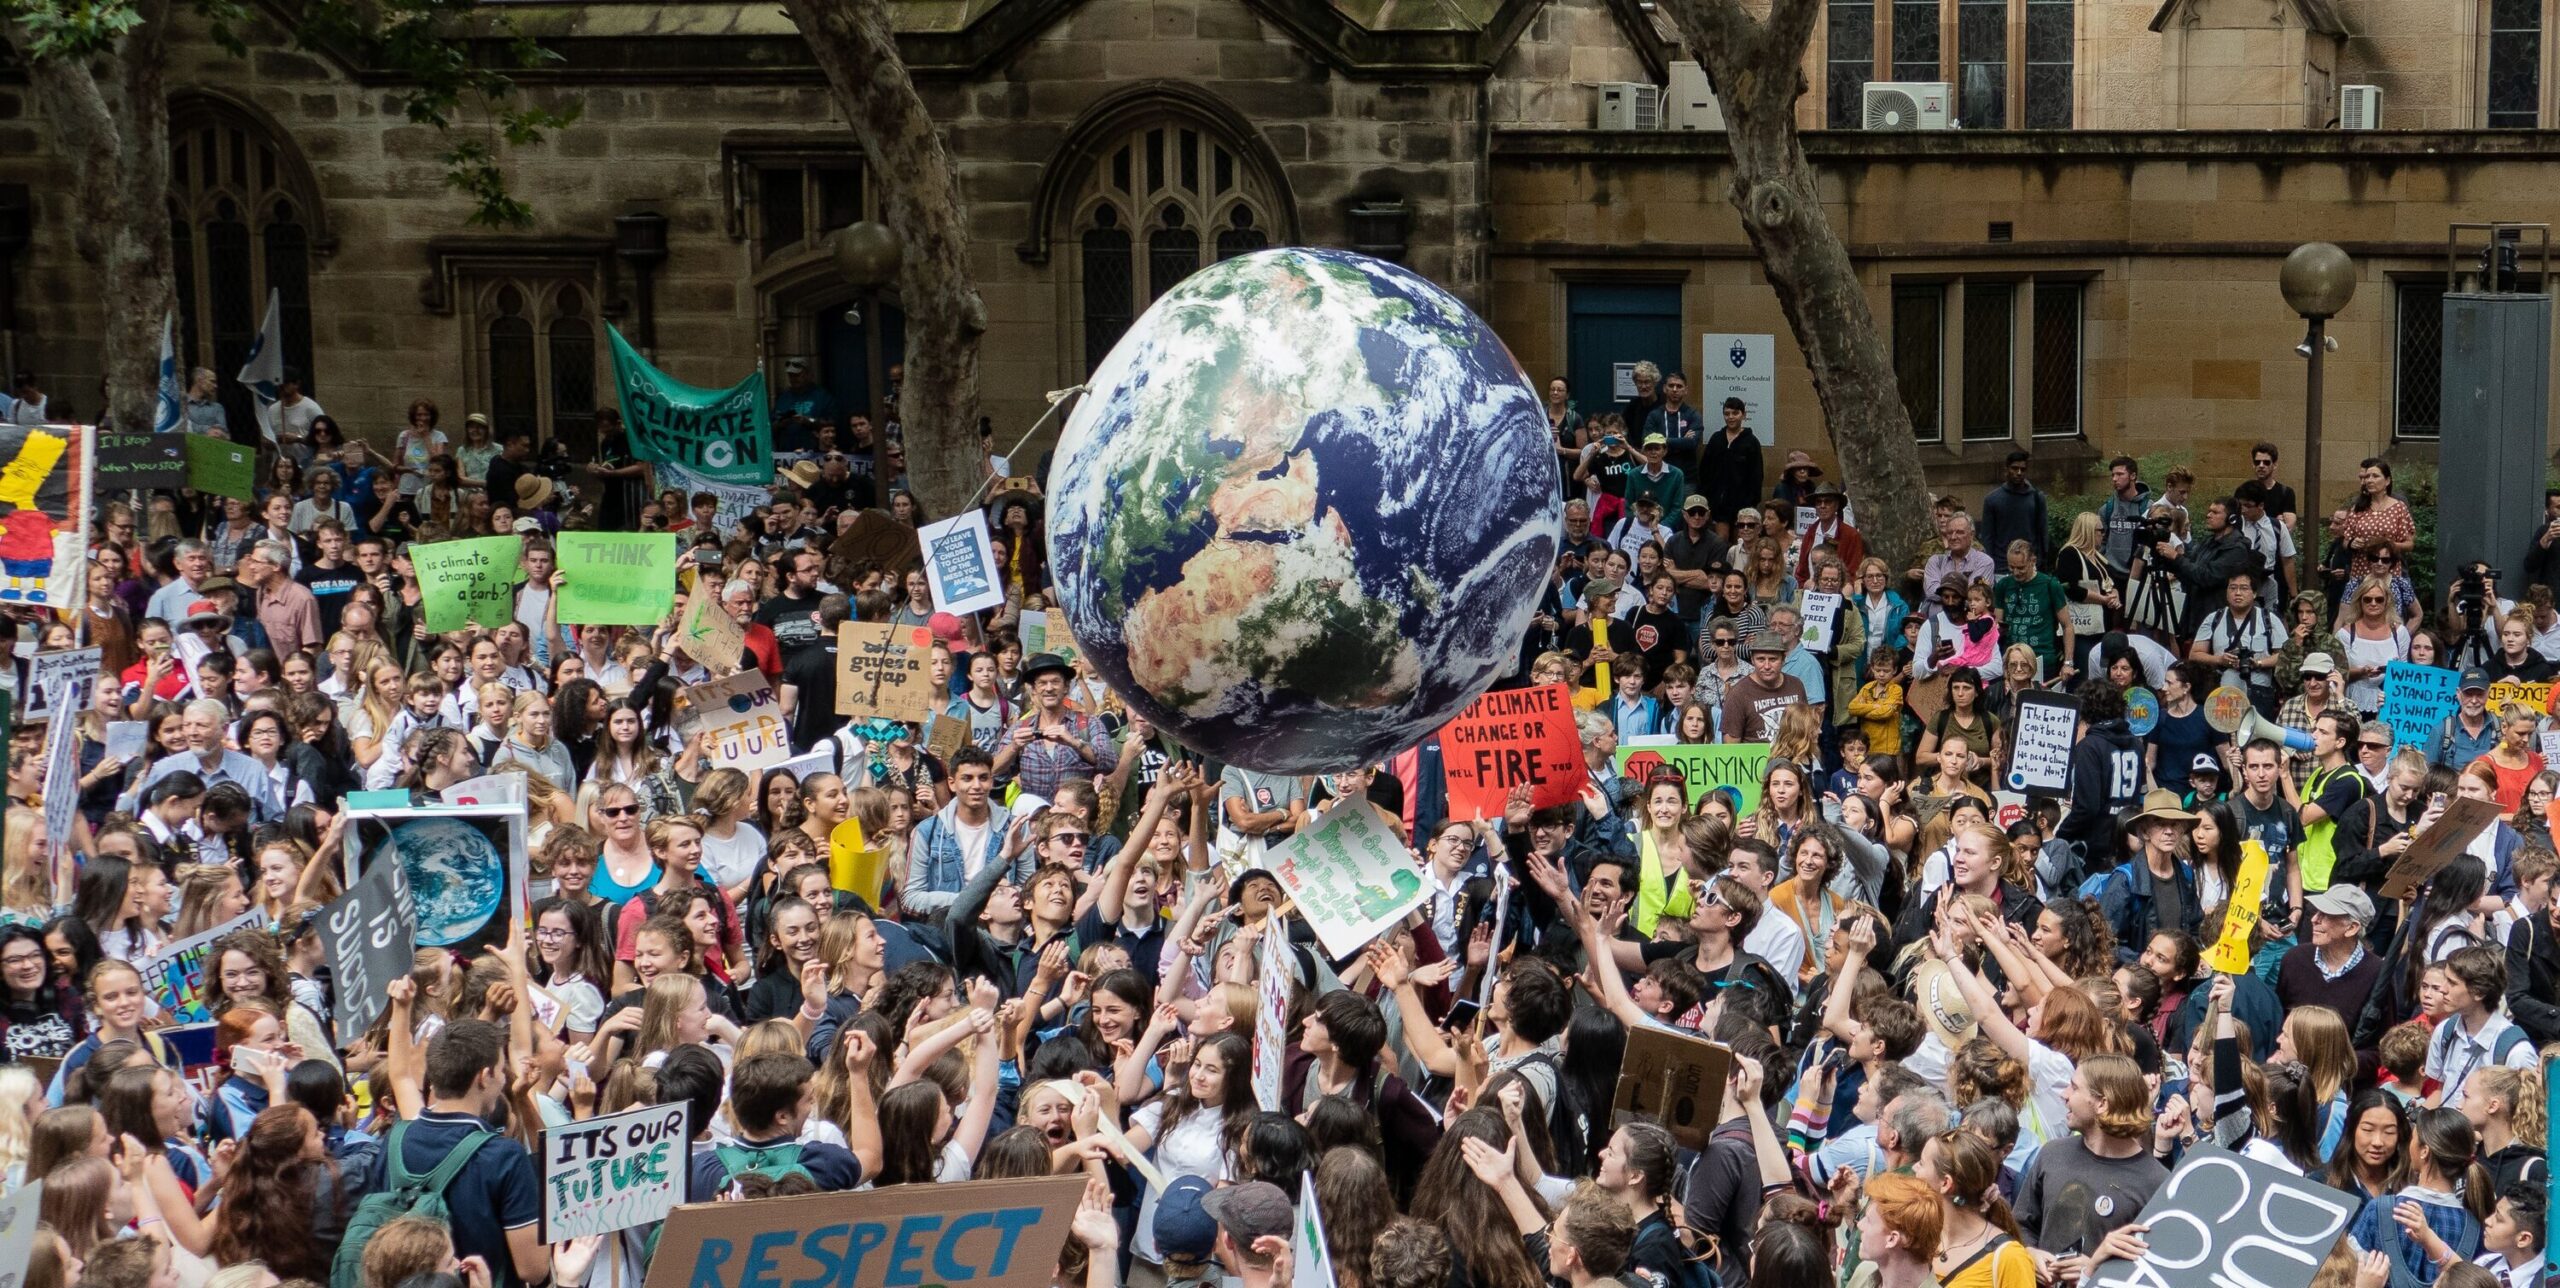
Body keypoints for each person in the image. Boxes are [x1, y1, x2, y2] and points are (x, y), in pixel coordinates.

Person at [1697, 396, 1762, 534]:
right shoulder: (1716, 439)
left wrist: (1751, 502)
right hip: (1719, 505)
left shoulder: (1751, 442)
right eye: (1727, 414)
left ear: (1743, 415)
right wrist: (1707, 497)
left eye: (1735, 413)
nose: (1731, 417)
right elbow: (1705, 470)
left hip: (1742, 504)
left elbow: (1756, 475)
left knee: (1741, 541)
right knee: (1721, 541)